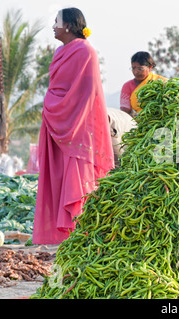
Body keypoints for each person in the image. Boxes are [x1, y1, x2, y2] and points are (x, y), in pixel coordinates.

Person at [33, 8, 114, 244]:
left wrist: (62, 111)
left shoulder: (85, 51)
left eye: (56, 22)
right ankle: (63, 237)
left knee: (77, 179)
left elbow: (87, 93)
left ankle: (82, 233)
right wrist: (52, 106)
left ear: (68, 25)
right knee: (59, 178)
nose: (53, 26)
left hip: (78, 126)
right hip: (58, 122)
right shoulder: (61, 51)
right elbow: (58, 88)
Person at [120, 51, 167, 117]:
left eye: (140, 69)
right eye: (133, 68)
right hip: (135, 124)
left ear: (150, 67)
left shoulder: (162, 82)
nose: (135, 72)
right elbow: (124, 113)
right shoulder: (127, 86)